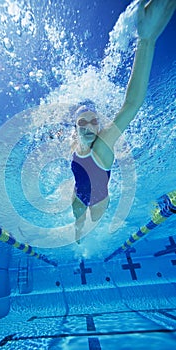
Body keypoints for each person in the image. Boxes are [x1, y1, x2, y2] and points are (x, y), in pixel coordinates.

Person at [71, 0, 176, 244]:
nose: (88, 126)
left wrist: (146, 42)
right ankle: (78, 231)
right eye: (82, 123)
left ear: (99, 125)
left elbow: (132, 104)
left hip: (99, 201)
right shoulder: (75, 141)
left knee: (92, 222)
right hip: (77, 195)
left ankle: (86, 232)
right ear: (75, 128)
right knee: (77, 219)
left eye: (93, 121)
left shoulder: (102, 146)